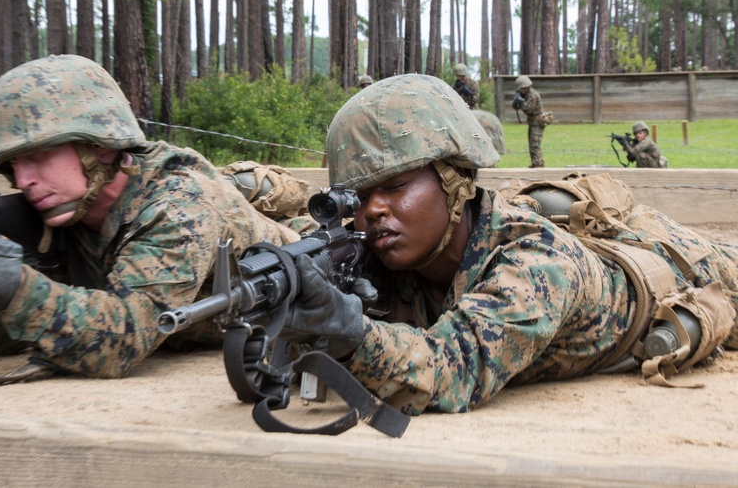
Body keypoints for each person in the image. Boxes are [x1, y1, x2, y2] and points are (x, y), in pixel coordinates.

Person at [279, 74, 738, 415]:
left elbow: (453, 368)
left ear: (456, 180)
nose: (372, 211)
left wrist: (347, 328)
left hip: (678, 265)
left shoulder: (538, 264)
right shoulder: (379, 246)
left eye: (396, 186)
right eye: (356, 198)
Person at [0, 54, 305, 378]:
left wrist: (13, 283)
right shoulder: (64, 213)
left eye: (36, 157)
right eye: (13, 166)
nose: (24, 180)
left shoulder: (176, 205)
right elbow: (0, 342)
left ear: (100, 147)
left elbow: (124, 340)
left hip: (297, 285)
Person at [512, 74, 546, 167]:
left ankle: (537, 164)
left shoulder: (533, 95)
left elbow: (530, 109)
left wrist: (522, 102)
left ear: (526, 87)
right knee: (531, 145)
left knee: (535, 145)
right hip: (532, 122)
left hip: (538, 122)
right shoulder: (524, 94)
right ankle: (535, 163)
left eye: (522, 89)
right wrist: (516, 102)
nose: (521, 91)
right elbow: (515, 106)